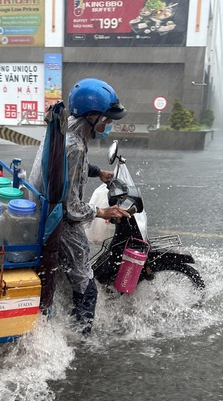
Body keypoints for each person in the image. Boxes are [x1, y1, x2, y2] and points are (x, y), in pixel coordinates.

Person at [60, 78, 130, 333]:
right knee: (87, 289)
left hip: (52, 216)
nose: (107, 125)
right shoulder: (75, 146)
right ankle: (81, 337)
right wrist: (102, 211)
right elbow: (72, 208)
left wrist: (98, 171)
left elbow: (71, 173)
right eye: (106, 119)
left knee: (77, 279)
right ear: (91, 116)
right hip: (62, 225)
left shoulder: (66, 132)